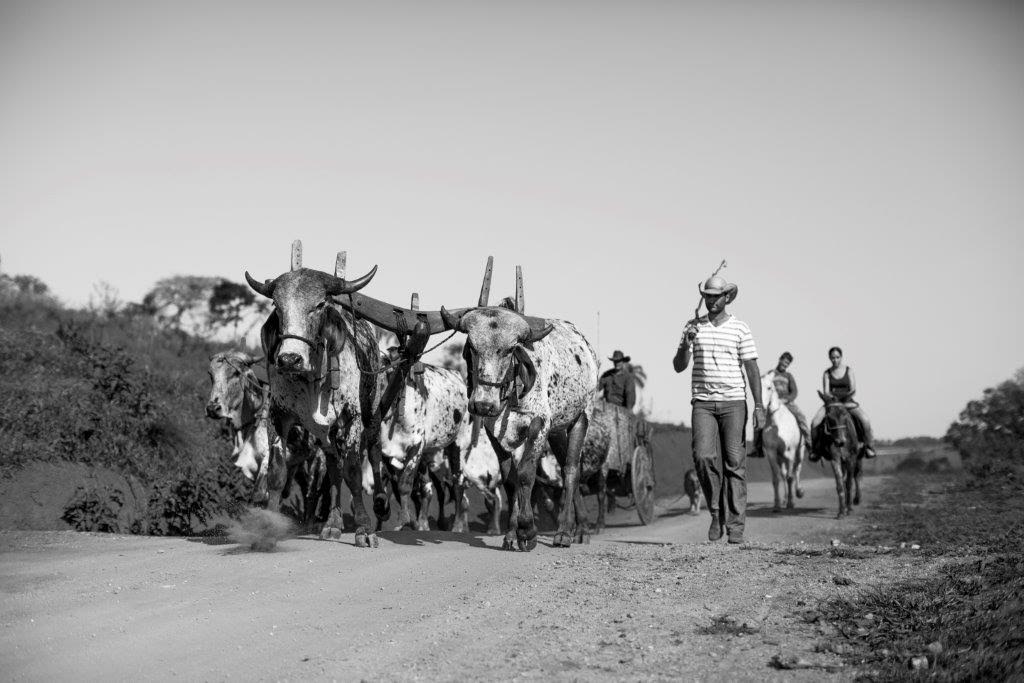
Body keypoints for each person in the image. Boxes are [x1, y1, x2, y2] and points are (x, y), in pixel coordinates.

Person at [673, 275, 764, 544]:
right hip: (702, 403)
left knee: (735, 464)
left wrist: (759, 406)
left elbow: (752, 369)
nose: (712, 300)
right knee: (702, 457)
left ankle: (735, 527)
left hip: (734, 402)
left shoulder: (740, 329)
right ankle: (716, 512)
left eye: (716, 296)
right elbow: (679, 366)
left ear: (726, 298)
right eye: (708, 296)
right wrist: (684, 343)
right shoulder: (692, 327)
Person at [810, 346, 876, 459]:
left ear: (841, 357)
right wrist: (834, 400)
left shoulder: (849, 370)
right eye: (832, 358)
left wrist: (843, 398)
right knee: (815, 422)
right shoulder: (827, 373)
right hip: (832, 404)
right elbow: (826, 391)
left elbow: (853, 389)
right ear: (829, 358)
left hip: (847, 401)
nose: (835, 360)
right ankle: (816, 450)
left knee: (865, 420)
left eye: (837, 357)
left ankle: (869, 447)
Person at [762, 352, 811, 444]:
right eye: (784, 362)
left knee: (801, 417)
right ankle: (757, 446)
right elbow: (764, 384)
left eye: (787, 364)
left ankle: (809, 442)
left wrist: (786, 399)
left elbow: (794, 392)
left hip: (787, 403)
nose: (785, 365)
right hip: (772, 403)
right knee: (759, 418)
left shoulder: (789, 376)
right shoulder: (770, 373)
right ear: (780, 360)